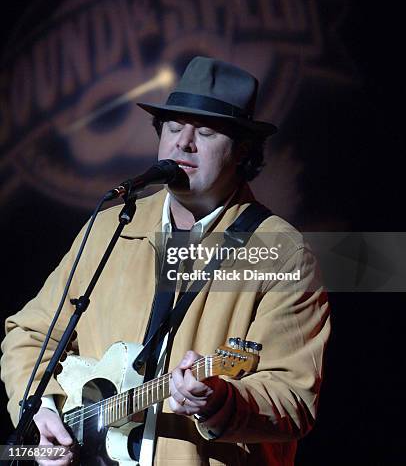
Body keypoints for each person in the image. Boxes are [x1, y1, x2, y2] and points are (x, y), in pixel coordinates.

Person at [1, 57, 330, 466]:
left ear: (243, 149)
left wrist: (223, 401)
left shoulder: (282, 253)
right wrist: (45, 410)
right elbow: (29, 334)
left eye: (206, 132)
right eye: (173, 128)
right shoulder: (110, 227)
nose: (183, 142)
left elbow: (293, 397)